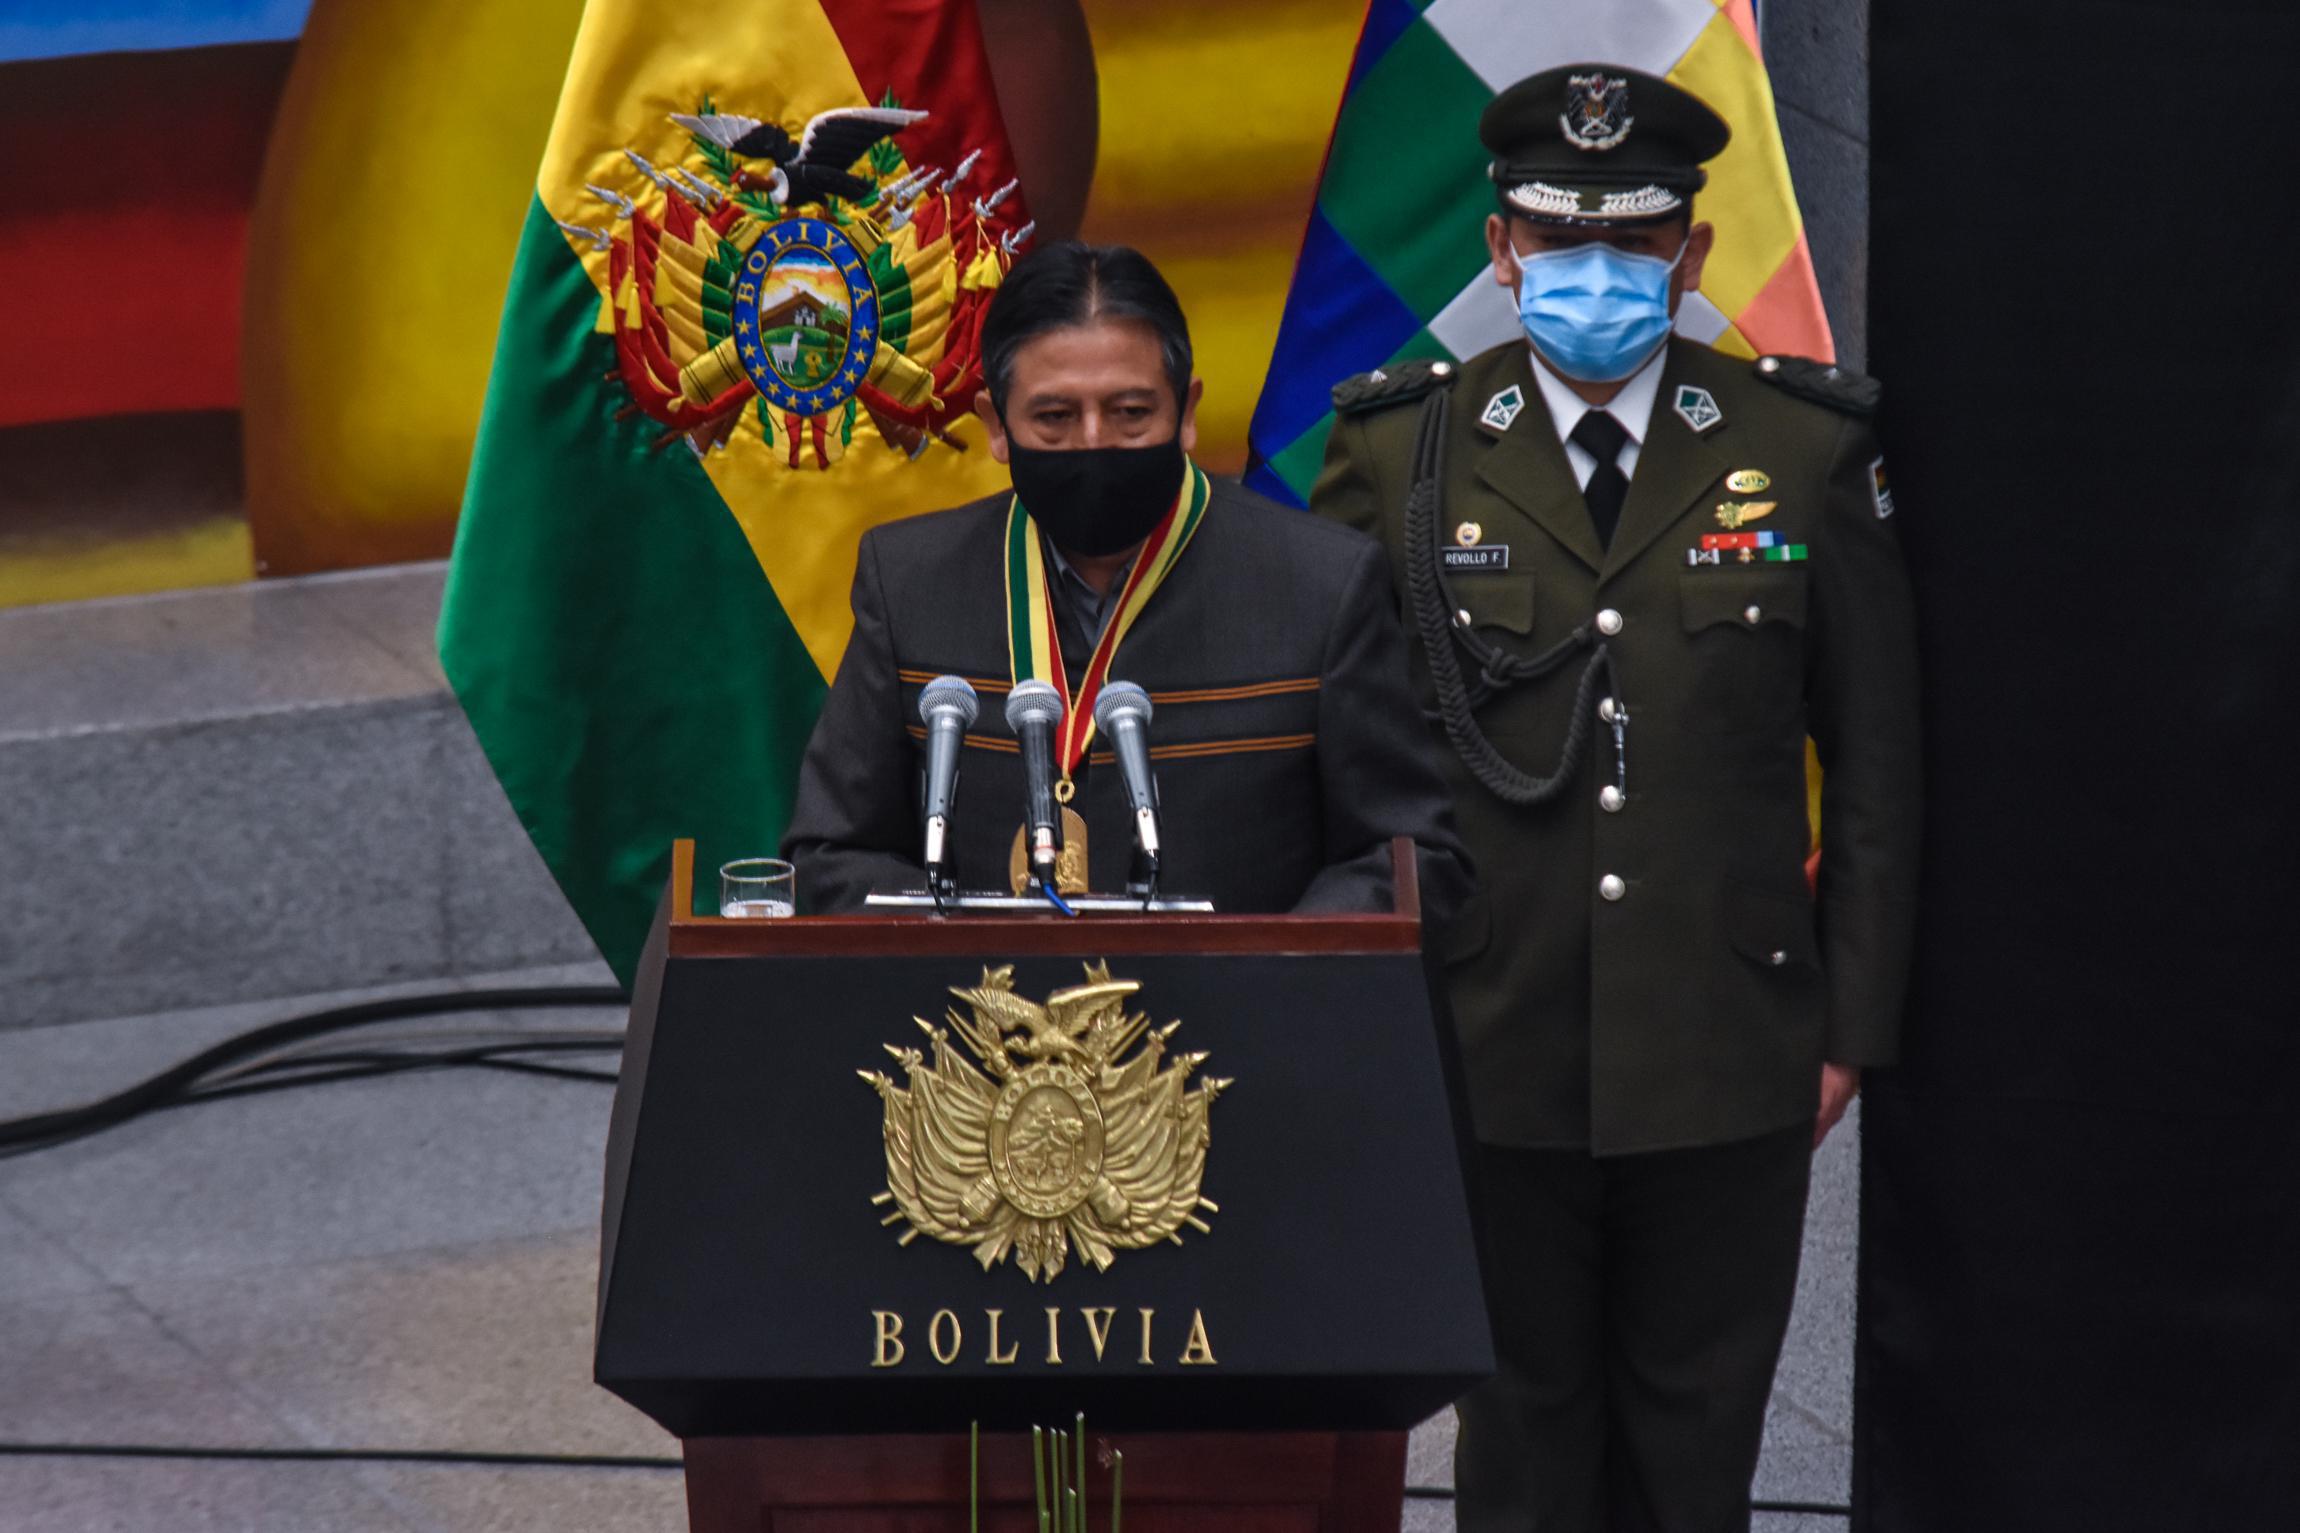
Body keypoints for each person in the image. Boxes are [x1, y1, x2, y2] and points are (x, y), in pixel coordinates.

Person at [1311, 65, 1921, 1533]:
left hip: (1727, 1042)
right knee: (1520, 1443)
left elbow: (1885, 760)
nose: (1598, 274)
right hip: (1482, 1034)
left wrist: (1849, 1028)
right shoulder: (1401, 450)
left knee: (1696, 1445)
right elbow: (1337, 755)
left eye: (1635, 245)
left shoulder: (1803, 449)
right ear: (1501, 249)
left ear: (1692, 255)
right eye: (1559, 241)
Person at [783, 241, 1470, 922]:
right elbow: (834, 848)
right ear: (997, 425)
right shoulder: (910, 583)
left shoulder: (1324, 584)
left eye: (1131, 414)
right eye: (1054, 418)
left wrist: (1274, 972)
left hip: (1243, 1022)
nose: (1093, 441)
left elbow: (1408, 857)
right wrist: (961, 961)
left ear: (1188, 412)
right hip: (989, 1020)